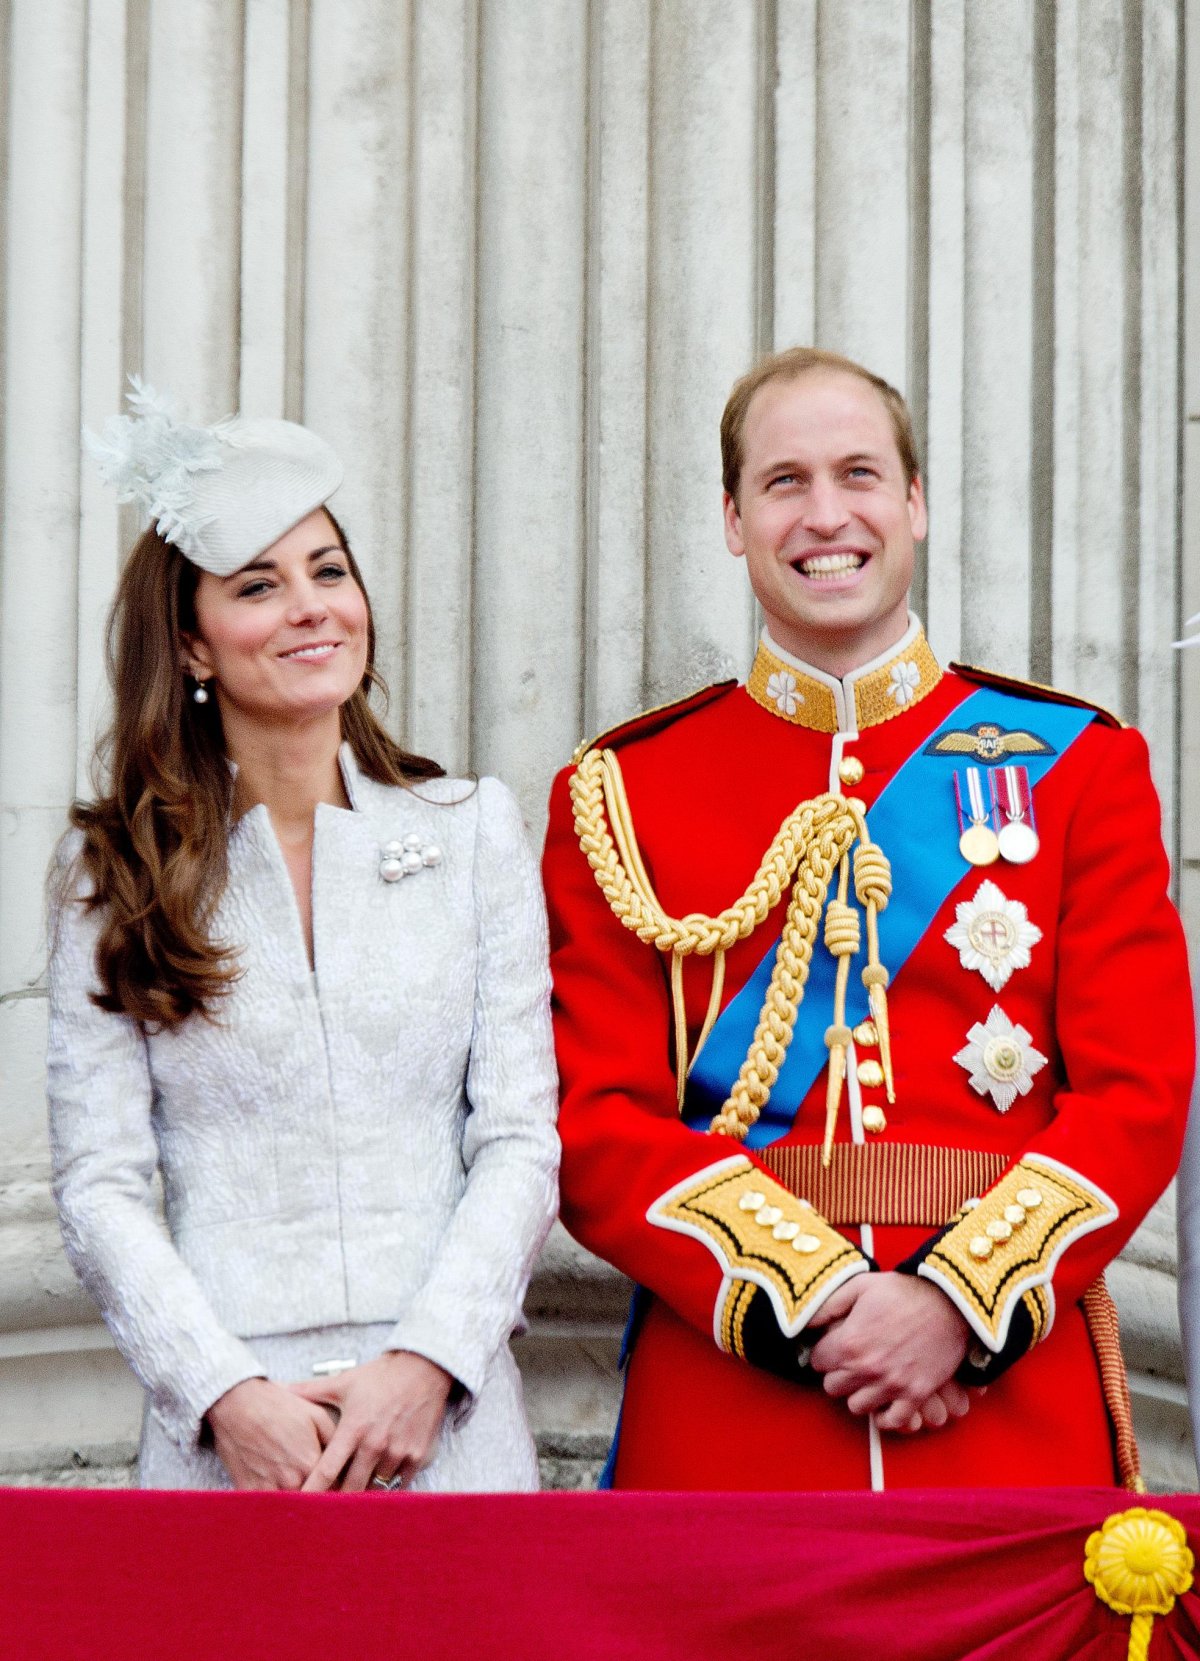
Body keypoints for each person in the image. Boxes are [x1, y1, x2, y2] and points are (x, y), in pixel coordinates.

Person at [542, 346, 1194, 1491]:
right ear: (734, 520)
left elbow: (1137, 1095)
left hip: (1007, 1400)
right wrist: (824, 1298)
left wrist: (955, 1300)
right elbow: (597, 1126)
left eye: (859, 473)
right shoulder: (621, 791)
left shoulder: (1079, 765)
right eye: (784, 482)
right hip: (731, 1407)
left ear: (917, 504)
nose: (826, 513)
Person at [48, 380, 560, 1492]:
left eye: (329, 571)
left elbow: (521, 1135)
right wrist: (222, 1395)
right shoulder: (115, 875)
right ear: (191, 643)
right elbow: (100, 1182)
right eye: (258, 586)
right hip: (230, 1436)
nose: (312, 607)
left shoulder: (474, 832)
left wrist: (428, 1360)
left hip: (449, 1417)